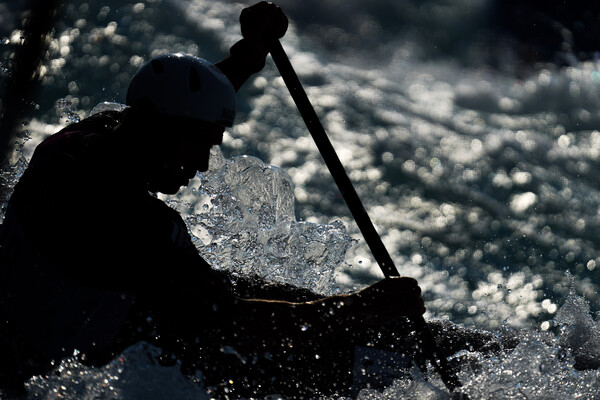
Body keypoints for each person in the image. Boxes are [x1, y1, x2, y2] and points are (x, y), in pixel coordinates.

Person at [0, 2, 426, 397]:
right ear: (156, 129)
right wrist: (358, 308)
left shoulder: (75, 143)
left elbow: (182, 108)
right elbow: (236, 327)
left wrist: (248, 56)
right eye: (199, 144)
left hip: (95, 320)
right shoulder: (137, 226)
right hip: (75, 372)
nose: (203, 164)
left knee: (271, 297)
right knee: (340, 344)